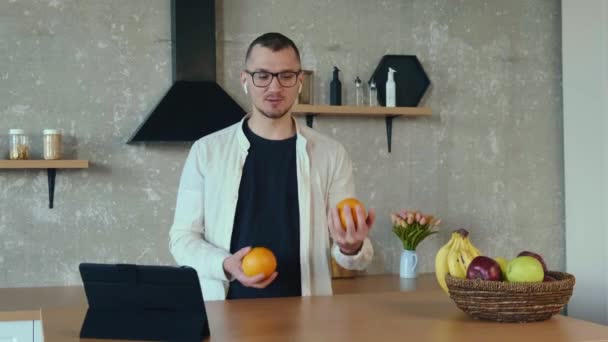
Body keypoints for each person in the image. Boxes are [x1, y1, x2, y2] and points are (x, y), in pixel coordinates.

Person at [169, 32, 375, 301]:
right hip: (224, 312)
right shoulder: (207, 151)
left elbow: (352, 257)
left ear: (300, 81)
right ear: (245, 80)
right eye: (262, 75)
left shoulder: (331, 154)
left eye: (286, 76)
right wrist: (225, 263)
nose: (275, 87)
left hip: (307, 314)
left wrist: (352, 246)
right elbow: (182, 239)